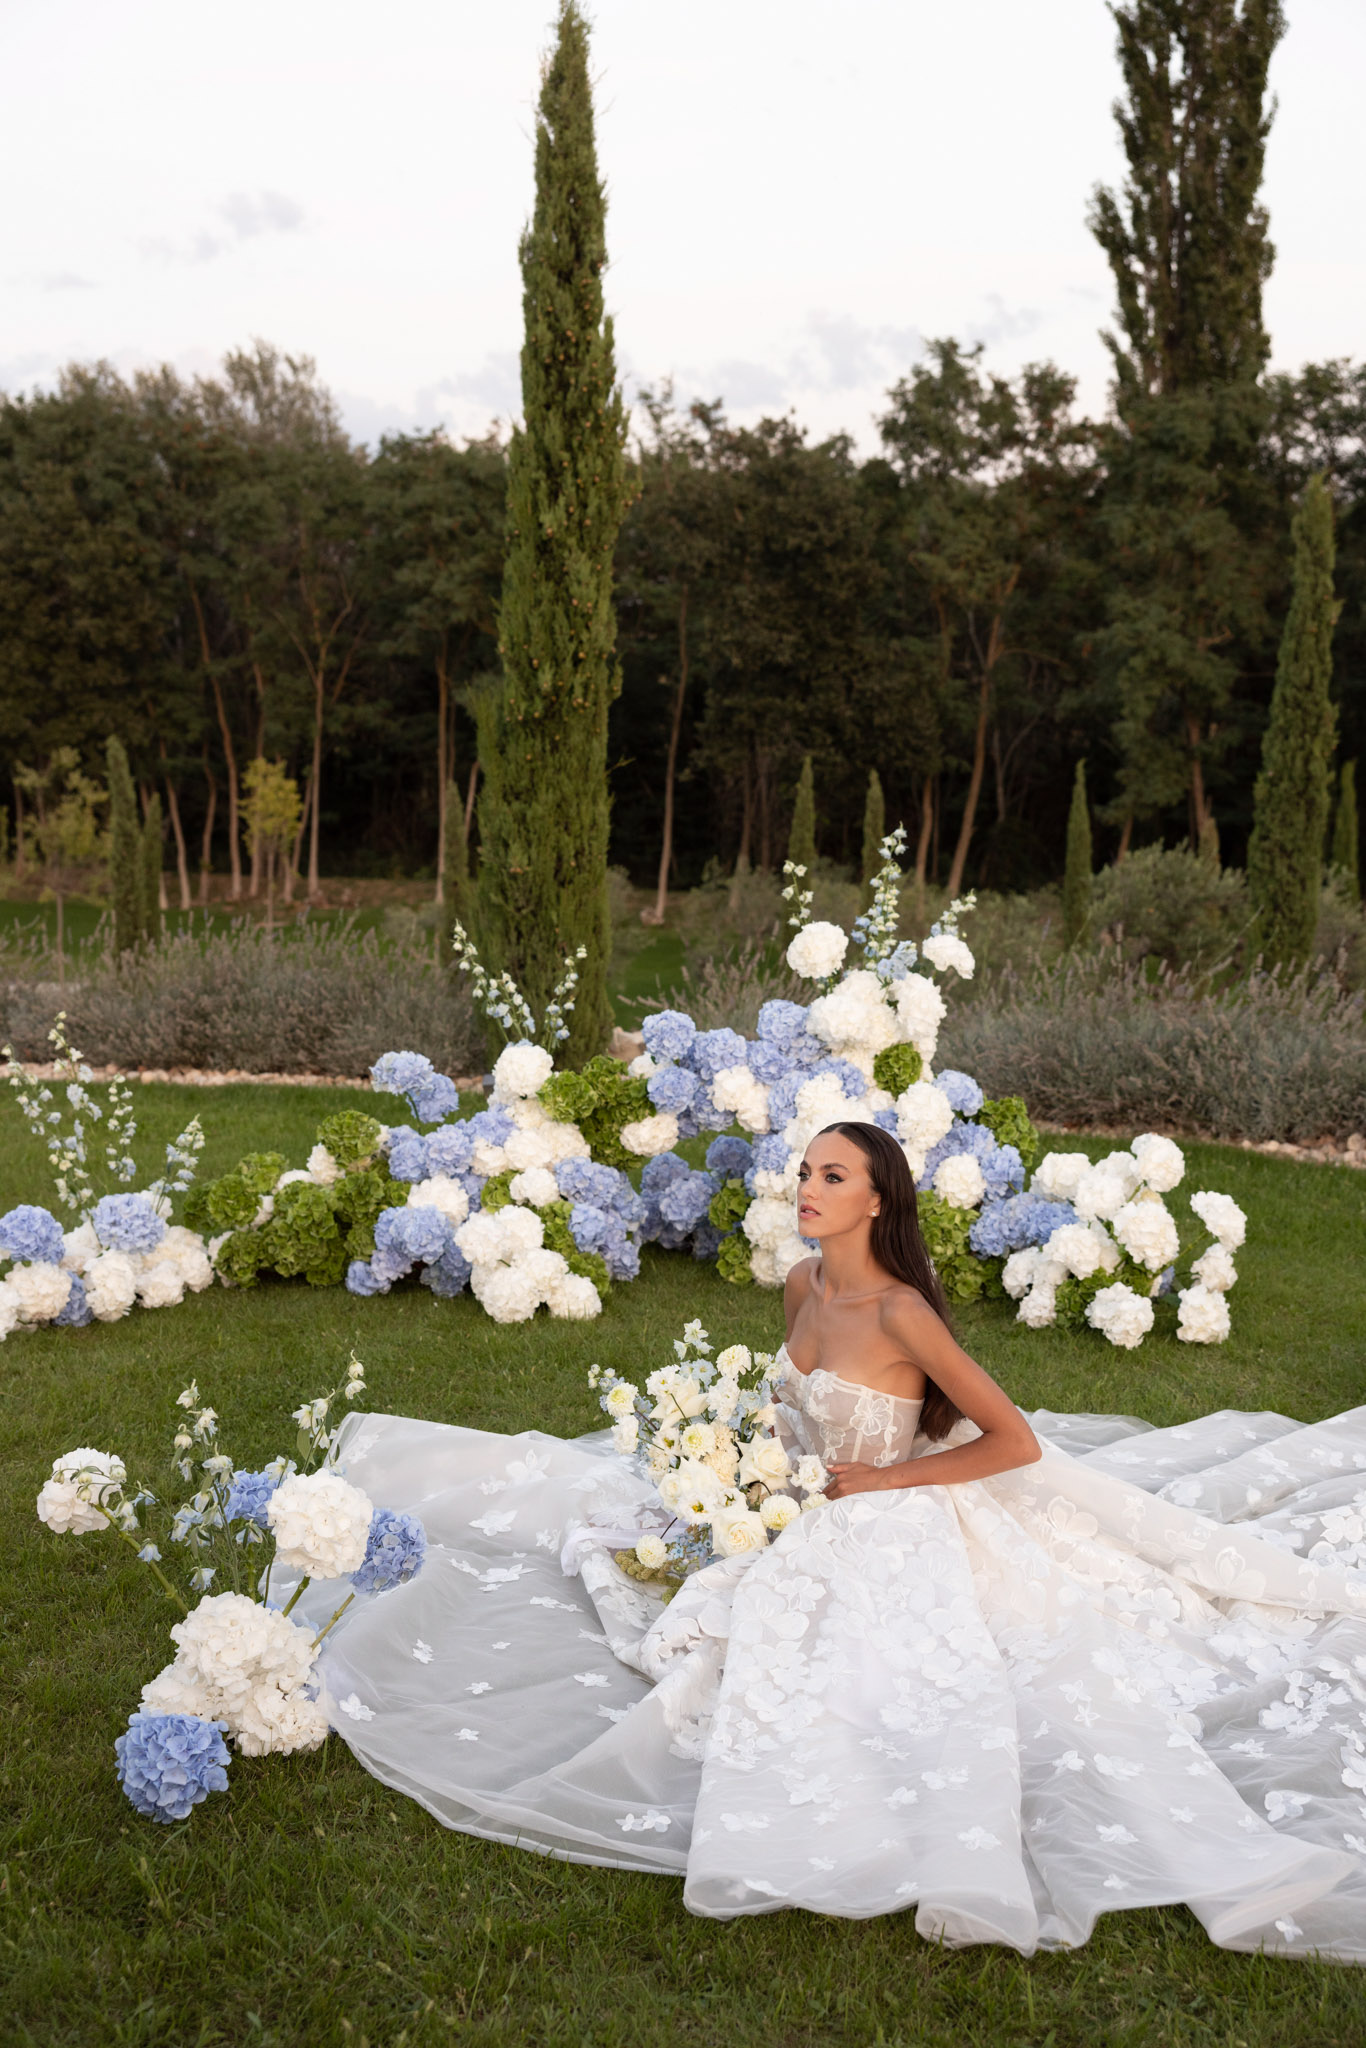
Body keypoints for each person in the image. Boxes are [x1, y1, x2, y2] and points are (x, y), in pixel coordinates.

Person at [307, 1122, 1366, 1959]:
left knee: (876, 1660)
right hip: (812, 1491)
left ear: (876, 1198)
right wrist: (744, 1465)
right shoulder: (801, 1282)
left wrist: (888, 1479)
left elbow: (1011, 1437)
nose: (805, 1186)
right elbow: (796, 1403)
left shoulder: (904, 1310)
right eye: (803, 1168)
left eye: (831, 1173)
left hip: (904, 1502)